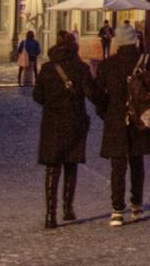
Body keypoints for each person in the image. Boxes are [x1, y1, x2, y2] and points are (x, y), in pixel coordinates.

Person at [94, 24, 150, 226]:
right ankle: (137, 205)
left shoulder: (108, 64)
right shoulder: (147, 61)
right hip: (140, 118)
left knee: (117, 165)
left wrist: (106, 113)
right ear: (135, 40)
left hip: (116, 119)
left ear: (117, 41)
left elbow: (99, 95)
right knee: (137, 162)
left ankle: (117, 210)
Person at [35, 30, 98, 230]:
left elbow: (37, 96)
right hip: (74, 121)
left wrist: (51, 101)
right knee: (71, 164)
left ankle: (49, 215)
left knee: (52, 167)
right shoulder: (80, 68)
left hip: (52, 122)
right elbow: (92, 94)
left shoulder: (46, 68)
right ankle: (68, 208)